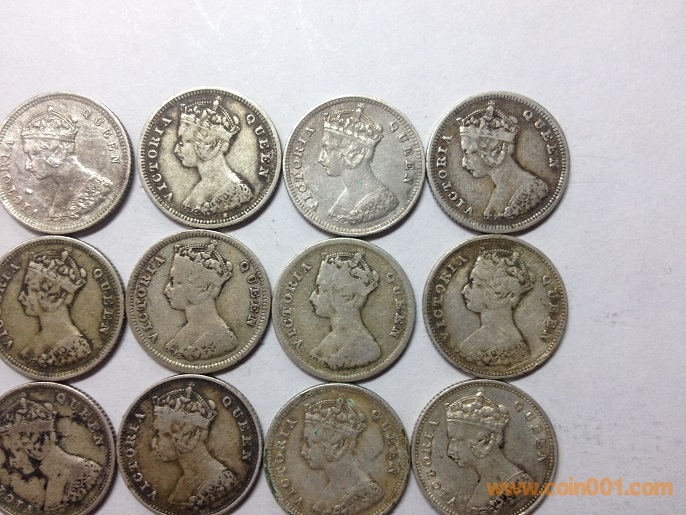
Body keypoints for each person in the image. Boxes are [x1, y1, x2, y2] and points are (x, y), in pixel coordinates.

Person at [0, 398, 102, 512]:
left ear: (33, 443)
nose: (11, 463)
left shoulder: (87, 474)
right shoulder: (53, 482)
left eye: (13, 453)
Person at [446, 390, 534, 514]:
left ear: (485, 440)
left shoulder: (522, 488)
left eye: (455, 441)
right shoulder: (483, 486)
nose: (449, 452)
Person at [458, 101, 549, 220]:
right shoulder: (499, 191)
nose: (464, 164)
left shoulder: (535, 191)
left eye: (467, 153)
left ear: (493, 150)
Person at [151, 385, 238, 508]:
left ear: (184, 436)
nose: (154, 443)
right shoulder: (185, 480)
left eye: (158, 435)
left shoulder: (221, 483)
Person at [21, 106, 113, 221]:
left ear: (57, 152)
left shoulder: (99, 188)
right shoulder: (62, 189)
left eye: (32, 155)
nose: (27, 166)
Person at [319, 104, 398, 225]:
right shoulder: (345, 197)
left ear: (352, 154)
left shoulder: (383, 202)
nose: (320, 158)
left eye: (327, 149)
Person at [301, 398, 383, 514]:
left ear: (338, 445)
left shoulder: (367, 494)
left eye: (309, 443)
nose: (303, 451)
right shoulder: (331, 490)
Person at [174, 97, 253, 215]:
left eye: (182, 143)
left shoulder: (237, 192)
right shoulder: (200, 187)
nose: (176, 150)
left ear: (208, 145)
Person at [163, 240, 238, 361]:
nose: (166, 290)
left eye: (173, 282)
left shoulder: (222, 340)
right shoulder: (184, 334)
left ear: (202, 288)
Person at [17, 249, 92, 367]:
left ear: (53, 296)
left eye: (29, 288)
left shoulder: (76, 349)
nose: (21, 297)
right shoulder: (38, 341)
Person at [459, 249, 533, 367]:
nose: (464, 290)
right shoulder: (516, 343)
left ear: (497, 292)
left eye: (472, 282)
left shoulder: (472, 346)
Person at [309, 252, 381, 370]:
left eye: (320, 289)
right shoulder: (329, 342)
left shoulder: (367, 350)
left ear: (347, 297)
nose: (312, 297)